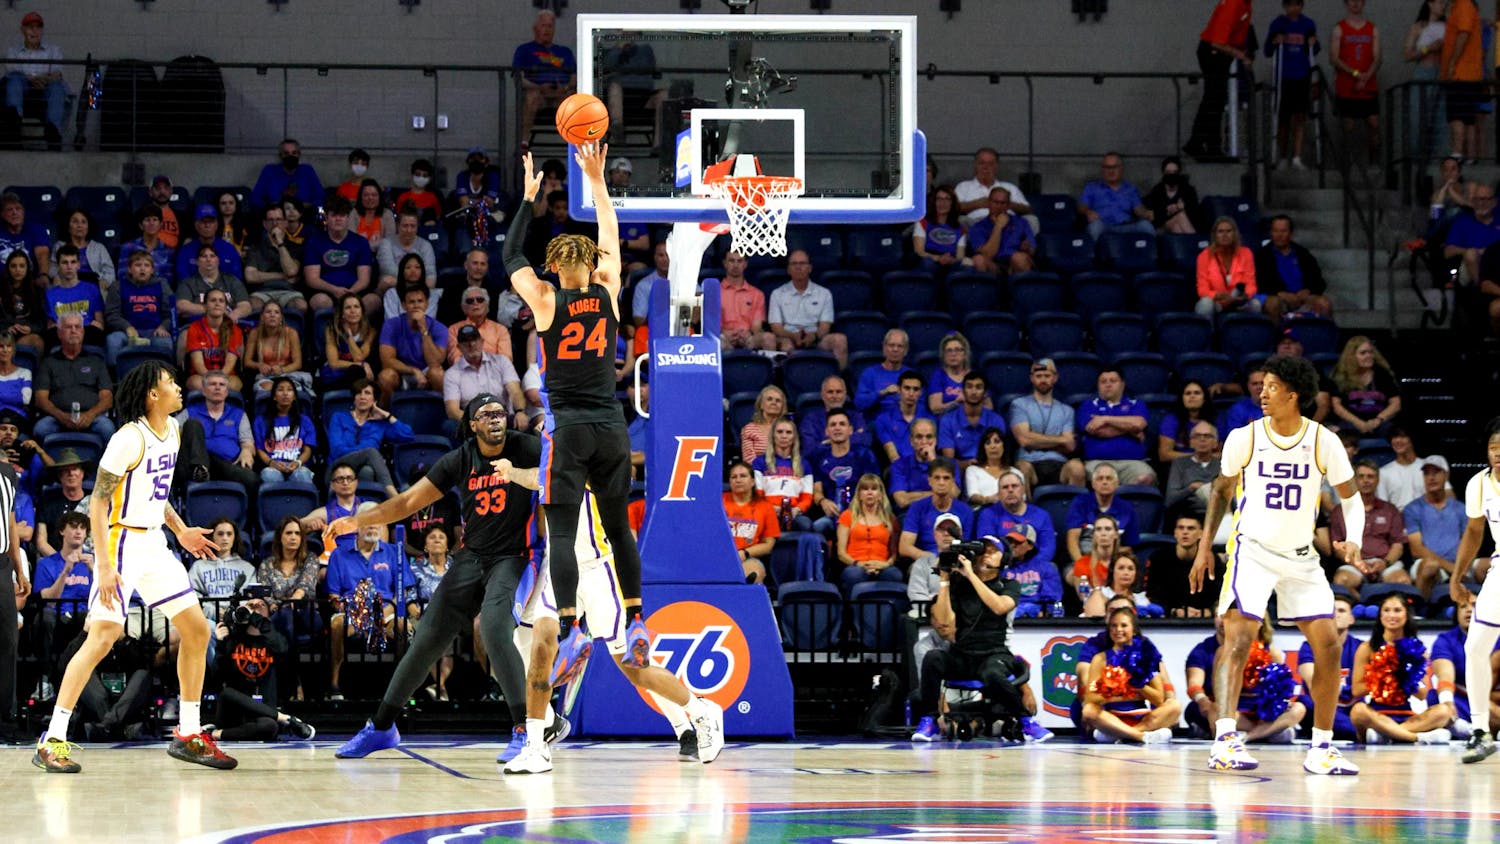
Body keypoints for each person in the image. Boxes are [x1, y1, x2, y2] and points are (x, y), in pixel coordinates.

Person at [330, 395, 557, 763]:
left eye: (500, 412)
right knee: (425, 640)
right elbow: (407, 503)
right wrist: (358, 520)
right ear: (472, 424)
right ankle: (383, 726)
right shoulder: (460, 458)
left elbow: (560, 469)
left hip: (517, 556)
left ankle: (524, 732)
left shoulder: (526, 447)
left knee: (496, 628)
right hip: (471, 558)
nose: (495, 419)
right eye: (485, 415)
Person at [32, 360, 231, 774]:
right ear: (152, 395)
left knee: (196, 629)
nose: (179, 388)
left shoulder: (173, 431)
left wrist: (179, 530)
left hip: (154, 539)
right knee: (104, 637)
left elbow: (156, 496)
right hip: (119, 540)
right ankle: (52, 739)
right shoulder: (128, 438)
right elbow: (99, 502)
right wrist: (104, 566)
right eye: (170, 383)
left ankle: (189, 733)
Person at [502, 145, 652, 687]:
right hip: (611, 425)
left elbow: (509, 254)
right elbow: (609, 228)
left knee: (560, 534)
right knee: (618, 529)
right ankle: (635, 619)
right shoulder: (610, 293)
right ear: (591, 266)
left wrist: (526, 199)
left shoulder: (543, 299)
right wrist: (596, 181)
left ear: (555, 268)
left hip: (566, 429)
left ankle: (571, 626)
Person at [1188, 354, 1364, 775]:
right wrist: (1204, 546)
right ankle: (1225, 740)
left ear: (1293, 394)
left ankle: (1321, 748)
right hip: (1252, 550)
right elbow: (1220, 491)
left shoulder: (1324, 441)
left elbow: (1351, 497)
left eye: (1270, 386)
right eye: (1261, 385)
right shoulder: (1244, 437)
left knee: (1329, 644)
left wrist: (1353, 539)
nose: (1261, 393)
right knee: (1238, 638)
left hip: (1301, 556)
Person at [508, 483, 725, 773]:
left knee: (633, 667)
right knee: (539, 645)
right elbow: (541, 474)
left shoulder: (592, 457)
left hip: (598, 572)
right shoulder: (549, 451)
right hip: (557, 567)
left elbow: (547, 474)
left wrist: (513, 471)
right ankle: (537, 744)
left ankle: (699, 713)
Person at [909, 534, 1030, 742]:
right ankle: (930, 720)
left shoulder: (1010, 585)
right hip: (963, 654)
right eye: (983, 550)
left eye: (993, 551)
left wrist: (971, 575)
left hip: (993, 653)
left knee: (992, 673)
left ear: (1005, 559)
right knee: (932, 657)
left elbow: (999, 607)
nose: (986, 555)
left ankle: (1027, 722)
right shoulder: (959, 584)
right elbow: (945, 625)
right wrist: (945, 581)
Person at [1447, 417, 1500, 762]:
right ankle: (1480, 730)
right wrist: (1457, 575)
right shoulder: (1479, 484)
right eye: (1494, 448)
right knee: (1475, 645)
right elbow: (1473, 533)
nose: (1498, 455)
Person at [323, 514, 414, 698]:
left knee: (403, 627)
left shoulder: (393, 552)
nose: (372, 528)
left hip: (387, 610)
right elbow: (333, 595)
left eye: (377, 524)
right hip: (350, 612)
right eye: (368, 524)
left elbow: (401, 592)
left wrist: (380, 615)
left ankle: (401, 687)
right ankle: (334, 685)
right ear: (357, 527)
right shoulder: (339, 554)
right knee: (336, 625)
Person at [206, 596, 316, 742]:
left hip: (264, 712)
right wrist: (220, 644)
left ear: (269, 615)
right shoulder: (234, 639)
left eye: (261, 605)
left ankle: (215, 734)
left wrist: (256, 618)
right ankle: (285, 718)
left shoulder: (275, 642)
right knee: (226, 693)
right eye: (250, 605)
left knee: (270, 727)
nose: (255, 608)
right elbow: (217, 677)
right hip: (234, 711)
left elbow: (282, 648)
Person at [1185, 616, 1307, 743]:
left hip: (1260, 711)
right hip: (1235, 711)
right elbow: (1219, 691)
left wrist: (1281, 704)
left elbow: (1280, 687)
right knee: (1216, 711)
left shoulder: (1272, 652)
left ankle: (1249, 736)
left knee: (1299, 708)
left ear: (1260, 624)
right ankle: (1268, 732)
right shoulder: (1223, 652)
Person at [1350, 593, 1453, 744]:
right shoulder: (1367, 648)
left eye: (1397, 610)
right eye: (1386, 610)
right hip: (1375, 713)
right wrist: (1382, 675)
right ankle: (1416, 737)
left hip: (1406, 715)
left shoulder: (1418, 650)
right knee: (1358, 710)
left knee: (1443, 711)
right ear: (1380, 615)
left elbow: (1422, 694)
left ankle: (1386, 735)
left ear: (1406, 615)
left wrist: (1405, 675)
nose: (1391, 615)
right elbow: (1357, 690)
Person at [1079, 607, 1181, 745]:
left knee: (1174, 705)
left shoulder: (1146, 656)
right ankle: (1140, 736)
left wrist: (1137, 684)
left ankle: (1123, 734)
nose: (1118, 630)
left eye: (1124, 625)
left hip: (1143, 718)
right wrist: (1120, 695)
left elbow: (1159, 698)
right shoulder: (1100, 659)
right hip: (1112, 718)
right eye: (1113, 626)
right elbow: (1090, 697)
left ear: (1133, 629)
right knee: (1088, 710)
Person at [1188, 0, 1254, 161]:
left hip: (1219, 54)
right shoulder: (1235, 4)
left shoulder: (1245, 4)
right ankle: (1202, 144)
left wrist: (1240, 51)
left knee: (1214, 100)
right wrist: (1240, 56)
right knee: (1214, 99)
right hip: (1213, 54)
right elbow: (1217, 42)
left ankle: (1206, 145)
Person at [327, 378, 415, 498]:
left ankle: (366, 510)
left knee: (367, 471)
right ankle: (394, 497)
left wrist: (386, 415)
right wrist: (365, 454)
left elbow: (407, 435)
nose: (362, 397)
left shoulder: (379, 423)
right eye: (359, 393)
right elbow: (337, 450)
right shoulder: (338, 417)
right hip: (337, 469)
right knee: (371, 452)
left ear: (375, 400)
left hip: (362, 470)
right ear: (354, 398)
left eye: (367, 393)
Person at [1068, 368, 1156, 487]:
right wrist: (1130, 430)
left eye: (1113, 381)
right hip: (1097, 462)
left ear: (1122, 384)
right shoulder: (1088, 405)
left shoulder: (1136, 404)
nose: (1108, 384)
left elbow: (1138, 424)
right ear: (1098, 386)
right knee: (1103, 482)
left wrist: (1105, 419)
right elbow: (1096, 430)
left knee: (1146, 478)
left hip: (1133, 462)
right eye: (1103, 382)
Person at [33, 313, 114, 441]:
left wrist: (89, 415)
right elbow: (40, 399)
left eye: (77, 327)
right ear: (59, 333)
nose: (74, 331)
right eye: (68, 327)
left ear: (83, 332)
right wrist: (61, 417)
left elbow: (107, 398)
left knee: (107, 428)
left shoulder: (96, 361)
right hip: (57, 418)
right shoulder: (48, 362)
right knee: (41, 429)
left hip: (92, 418)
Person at [1430, 597, 1500, 743]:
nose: (1468, 610)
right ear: (1456, 613)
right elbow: (1445, 674)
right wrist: (1447, 701)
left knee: (1488, 705)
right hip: (1461, 698)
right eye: (1462, 606)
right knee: (1438, 701)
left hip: (1491, 696)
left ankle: (1473, 729)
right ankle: (1466, 727)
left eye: (1474, 605)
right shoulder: (1445, 640)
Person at [1295, 590, 1361, 740]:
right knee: (1304, 702)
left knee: (1362, 712)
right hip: (1320, 707)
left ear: (1351, 619)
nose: (1335, 614)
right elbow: (1313, 684)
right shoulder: (1309, 646)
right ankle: (1357, 732)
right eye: (1332, 610)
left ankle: (1355, 729)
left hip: (1351, 709)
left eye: (1341, 610)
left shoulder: (1361, 647)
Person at [176, 370, 257, 489]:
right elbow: (169, 433)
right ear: (203, 390)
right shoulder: (190, 412)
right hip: (194, 466)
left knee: (252, 480)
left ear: (227, 391)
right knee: (193, 424)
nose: (217, 388)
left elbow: (248, 443)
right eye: (212, 384)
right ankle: (200, 470)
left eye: (222, 385)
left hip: (227, 464)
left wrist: (246, 451)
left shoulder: (238, 414)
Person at [767, 250, 848, 369]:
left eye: (802, 263)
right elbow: (776, 327)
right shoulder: (777, 294)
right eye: (794, 264)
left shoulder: (824, 293)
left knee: (840, 340)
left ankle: (838, 383)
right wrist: (793, 336)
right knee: (785, 346)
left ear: (810, 268)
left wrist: (813, 336)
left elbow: (825, 327)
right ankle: (784, 385)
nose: (798, 267)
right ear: (788, 269)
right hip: (789, 336)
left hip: (816, 338)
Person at [809, 409, 881, 538]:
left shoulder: (864, 455)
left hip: (861, 512)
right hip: (832, 514)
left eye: (842, 424)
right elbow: (817, 491)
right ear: (827, 431)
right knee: (817, 527)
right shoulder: (820, 457)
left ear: (850, 430)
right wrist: (823, 501)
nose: (837, 428)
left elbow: (875, 488)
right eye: (833, 424)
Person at [1265, 1, 1320, 170]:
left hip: (1302, 77)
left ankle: (1297, 156)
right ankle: (1282, 156)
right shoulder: (1278, 23)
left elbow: (1315, 49)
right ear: (1284, 6)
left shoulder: (1308, 24)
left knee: (1300, 118)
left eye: (1296, 5)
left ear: (1301, 6)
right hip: (1284, 78)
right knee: (1283, 120)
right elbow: (1267, 51)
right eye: (1289, 5)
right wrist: (1275, 41)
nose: (1293, 9)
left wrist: (1313, 42)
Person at [444, 324, 526, 431]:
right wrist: (480, 421)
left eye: (474, 339)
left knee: (521, 420)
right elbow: (452, 411)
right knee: (449, 426)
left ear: (482, 342)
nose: (471, 344)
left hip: (503, 417)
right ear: (459, 347)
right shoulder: (452, 374)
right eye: (465, 341)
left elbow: (515, 391)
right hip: (473, 422)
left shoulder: (502, 361)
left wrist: (520, 412)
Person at [513, 10, 577, 149]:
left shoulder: (565, 52)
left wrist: (565, 88)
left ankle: (576, 145)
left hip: (560, 94)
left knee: (574, 99)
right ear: (535, 28)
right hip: (538, 94)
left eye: (550, 26)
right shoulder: (524, 50)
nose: (547, 30)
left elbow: (574, 77)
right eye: (543, 25)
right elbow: (519, 79)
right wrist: (539, 87)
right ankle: (524, 144)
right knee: (532, 97)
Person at [303, 194, 376, 315]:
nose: (338, 219)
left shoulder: (361, 242)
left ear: (348, 217)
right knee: (320, 301)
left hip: (355, 291)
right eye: (334, 215)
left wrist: (351, 293)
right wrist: (334, 290)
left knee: (373, 300)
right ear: (326, 217)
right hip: (325, 292)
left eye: (342, 215)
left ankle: (358, 333)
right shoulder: (314, 242)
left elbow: (364, 279)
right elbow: (312, 279)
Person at [2, 12, 65, 150]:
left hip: (45, 90)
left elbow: (57, 74)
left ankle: (53, 132)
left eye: (38, 27)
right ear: (22, 30)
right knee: (15, 80)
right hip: (23, 91)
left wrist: (39, 79)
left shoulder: (54, 50)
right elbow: (12, 71)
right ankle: (14, 122)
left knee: (57, 87)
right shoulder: (13, 51)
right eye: (30, 27)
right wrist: (34, 78)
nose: (34, 31)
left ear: (42, 30)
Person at [1330, 0, 1382, 165]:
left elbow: (1378, 57)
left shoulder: (1372, 28)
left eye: (1358, 0)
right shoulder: (1339, 28)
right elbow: (1334, 58)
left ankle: (1373, 162)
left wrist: (1367, 75)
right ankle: (1347, 162)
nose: (1355, 3)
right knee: (1348, 125)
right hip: (1347, 86)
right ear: (1346, 3)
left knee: (1374, 123)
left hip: (1368, 85)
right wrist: (1355, 73)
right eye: (1352, 0)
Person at [1010, 358, 1076, 487]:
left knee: (1077, 468)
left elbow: (1069, 445)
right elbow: (1024, 440)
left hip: (1059, 463)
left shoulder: (1067, 410)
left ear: (1055, 378)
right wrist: (1060, 440)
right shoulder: (1019, 405)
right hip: (1029, 463)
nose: (1043, 380)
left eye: (1047, 376)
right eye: (1039, 376)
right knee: (1022, 469)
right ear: (1031, 378)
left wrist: (1035, 440)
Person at [376, 284, 446, 404]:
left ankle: (444, 416)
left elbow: (435, 362)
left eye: (420, 301)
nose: (416, 305)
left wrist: (424, 330)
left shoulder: (439, 328)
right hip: (401, 371)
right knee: (385, 377)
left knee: (438, 374)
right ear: (404, 305)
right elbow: (387, 360)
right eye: (411, 302)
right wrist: (413, 370)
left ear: (427, 304)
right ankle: (385, 417)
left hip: (426, 372)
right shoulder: (391, 325)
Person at [103, 250, 174, 367]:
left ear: (152, 270)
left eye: (146, 265)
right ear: (130, 269)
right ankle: (115, 379)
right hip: (126, 332)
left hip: (154, 331)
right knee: (113, 340)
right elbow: (112, 314)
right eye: (137, 265)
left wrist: (163, 326)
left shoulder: (162, 285)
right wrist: (127, 327)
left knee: (164, 342)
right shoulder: (117, 286)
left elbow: (171, 313)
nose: (142, 269)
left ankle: (165, 379)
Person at [1255, 216, 1333, 322]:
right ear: (1271, 233)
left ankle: (1320, 337)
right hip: (1278, 297)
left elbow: (1319, 281)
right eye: (1275, 231)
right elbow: (1259, 283)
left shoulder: (1303, 254)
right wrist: (1280, 293)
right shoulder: (1262, 255)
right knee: (1273, 303)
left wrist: (1308, 291)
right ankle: (1278, 337)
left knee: (1324, 303)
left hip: (1303, 298)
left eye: (1283, 231)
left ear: (1291, 233)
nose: (1279, 235)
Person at [975, 467, 1058, 565]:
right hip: (1002, 566)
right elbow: (989, 546)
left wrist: (1028, 567)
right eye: (1005, 487)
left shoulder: (1042, 515)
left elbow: (1048, 549)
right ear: (999, 493)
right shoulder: (988, 514)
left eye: (1014, 486)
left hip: (1036, 567)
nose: (1010, 490)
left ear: (1023, 490)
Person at [898, 460, 971, 568]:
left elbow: (967, 546)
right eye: (937, 478)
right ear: (929, 481)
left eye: (946, 478)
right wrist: (930, 558)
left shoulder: (965, 511)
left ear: (953, 481)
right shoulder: (917, 508)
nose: (941, 482)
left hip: (956, 563)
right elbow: (904, 547)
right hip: (925, 562)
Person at [836, 473, 900, 595]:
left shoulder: (891, 519)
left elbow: (894, 553)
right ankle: (855, 612)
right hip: (855, 564)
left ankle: (888, 613)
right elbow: (841, 553)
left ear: (880, 494)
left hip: (882, 564)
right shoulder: (847, 516)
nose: (869, 492)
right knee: (854, 575)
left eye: (874, 489)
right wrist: (859, 564)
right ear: (859, 495)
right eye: (865, 489)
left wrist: (885, 564)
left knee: (894, 574)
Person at [1146, 515, 1221, 617]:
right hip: (1167, 620)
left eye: (1191, 528)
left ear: (1201, 534)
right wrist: (1172, 611)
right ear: (1175, 533)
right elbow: (1151, 596)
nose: (1185, 532)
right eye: (1181, 528)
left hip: (1205, 620)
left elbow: (1220, 595)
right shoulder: (1159, 559)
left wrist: (1210, 611)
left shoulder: (1212, 560)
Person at [187, 518, 257, 624]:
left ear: (235, 537)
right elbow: (192, 595)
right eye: (220, 534)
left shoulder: (247, 568)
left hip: (239, 620)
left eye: (229, 534)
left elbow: (251, 597)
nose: (225, 538)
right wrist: (214, 612)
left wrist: (235, 613)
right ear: (212, 537)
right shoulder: (199, 567)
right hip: (208, 619)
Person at [1329, 335, 1403, 436]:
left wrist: (1378, 420)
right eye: (1363, 353)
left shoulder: (1382, 374)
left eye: (1370, 352)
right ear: (1352, 356)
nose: (1368, 356)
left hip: (1380, 422)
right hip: (1351, 423)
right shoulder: (1341, 376)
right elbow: (1336, 406)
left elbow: (1396, 403)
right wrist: (1359, 423)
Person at [241, 203, 306, 315]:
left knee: (300, 305)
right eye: (270, 220)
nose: (275, 223)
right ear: (265, 224)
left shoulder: (296, 247)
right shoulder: (255, 248)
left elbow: (291, 271)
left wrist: (280, 243)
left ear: (285, 223)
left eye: (279, 219)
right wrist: (282, 276)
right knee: (253, 304)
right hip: (261, 292)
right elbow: (250, 276)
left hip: (288, 291)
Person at [1404, 1, 1449, 166]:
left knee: (1439, 120)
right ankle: (1416, 160)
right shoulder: (1418, 27)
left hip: (1441, 74)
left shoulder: (1447, 26)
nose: (1443, 6)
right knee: (1418, 118)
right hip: (1424, 73)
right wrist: (1427, 48)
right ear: (1430, 4)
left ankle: (1436, 161)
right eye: (1440, 2)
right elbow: (1407, 54)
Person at [751, 418, 813, 533]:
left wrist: (797, 510)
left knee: (805, 524)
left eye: (788, 432)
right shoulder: (759, 462)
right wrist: (771, 509)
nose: (784, 436)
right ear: (773, 435)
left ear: (794, 437)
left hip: (795, 514)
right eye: (779, 432)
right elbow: (757, 494)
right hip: (767, 511)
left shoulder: (804, 464)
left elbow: (807, 497)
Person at [724, 459, 779, 585]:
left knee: (753, 573)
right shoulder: (718, 502)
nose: (738, 480)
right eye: (734, 477)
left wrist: (744, 553)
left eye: (743, 476)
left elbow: (768, 545)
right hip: (719, 556)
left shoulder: (765, 507)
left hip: (748, 557)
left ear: (753, 482)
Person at [1441, 0, 1483, 163]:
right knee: (1467, 118)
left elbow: (1463, 33)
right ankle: (1469, 157)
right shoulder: (1457, 7)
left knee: (1457, 115)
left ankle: (1457, 154)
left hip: (1461, 73)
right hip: (1467, 73)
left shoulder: (1464, 5)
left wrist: (1451, 64)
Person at [1078, 152, 1155, 241]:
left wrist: (1145, 213)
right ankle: (1094, 255)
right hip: (1104, 225)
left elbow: (1138, 209)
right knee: (1095, 227)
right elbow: (1081, 207)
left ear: (1121, 169)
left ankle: (1151, 254)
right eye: (1107, 167)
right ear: (1102, 169)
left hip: (1126, 225)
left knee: (1146, 226)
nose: (1111, 171)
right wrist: (1088, 212)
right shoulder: (1092, 187)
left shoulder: (1130, 188)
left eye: (1114, 167)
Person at [254, 377, 315, 485]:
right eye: (280, 390)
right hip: (272, 466)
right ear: (274, 396)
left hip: (298, 465)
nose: (285, 393)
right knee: (271, 475)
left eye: (289, 390)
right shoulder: (260, 421)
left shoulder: (305, 420)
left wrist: (298, 462)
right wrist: (271, 463)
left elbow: (308, 450)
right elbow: (259, 449)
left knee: (301, 475)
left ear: (294, 396)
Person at [377, 210, 439, 318]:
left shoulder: (425, 245)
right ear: (397, 226)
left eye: (412, 226)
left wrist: (402, 282)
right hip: (389, 292)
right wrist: (416, 280)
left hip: (416, 293)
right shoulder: (387, 243)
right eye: (405, 226)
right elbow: (388, 270)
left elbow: (431, 279)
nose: (409, 230)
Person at [954, 147, 1035, 229]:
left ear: (996, 166)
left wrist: (1007, 204)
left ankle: (1020, 240)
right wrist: (977, 204)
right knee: (960, 220)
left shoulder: (1010, 187)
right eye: (981, 163)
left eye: (990, 164)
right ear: (975, 165)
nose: (985, 167)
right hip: (977, 224)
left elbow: (1028, 209)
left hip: (1007, 225)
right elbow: (952, 208)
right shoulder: (963, 186)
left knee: (1032, 220)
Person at [1195, 217, 1261, 316]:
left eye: (1228, 231)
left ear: (1234, 234)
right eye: (1220, 231)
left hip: (1238, 300)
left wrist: (1244, 296)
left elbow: (1251, 284)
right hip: (1216, 301)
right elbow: (1202, 289)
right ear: (1215, 235)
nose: (1224, 235)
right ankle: (1209, 331)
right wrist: (1217, 295)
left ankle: (1248, 331)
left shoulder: (1246, 253)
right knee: (1205, 304)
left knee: (1256, 304)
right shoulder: (1204, 256)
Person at [182, 289, 244, 393]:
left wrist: (218, 381)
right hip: (201, 376)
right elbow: (198, 363)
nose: (217, 304)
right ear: (205, 305)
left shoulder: (234, 330)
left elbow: (229, 364)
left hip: (227, 375)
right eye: (213, 300)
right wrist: (211, 380)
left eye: (221, 301)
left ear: (225, 306)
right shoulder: (195, 328)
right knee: (195, 383)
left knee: (235, 384)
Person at [966, 186, 1035, 276]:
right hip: (993, 265)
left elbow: (1033, 251)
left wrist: (1028, 248)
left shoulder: (1021, 222)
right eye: (995, 202)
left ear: (1008, 205)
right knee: (978, 259)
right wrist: (998, 227)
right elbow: (987, 255)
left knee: (1019, 258)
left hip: (1015, 263)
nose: (999, 206)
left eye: (1003, 203)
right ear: (988, 203)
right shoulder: (978, 227)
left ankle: (1023, 289)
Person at [799, 376, 871, 460]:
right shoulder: (810, 420)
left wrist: (826, 442)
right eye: (830, 392)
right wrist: (849, 437)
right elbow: (809, 450)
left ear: (845, 394)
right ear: (822, 395)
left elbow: (866, 440)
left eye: (839, 392)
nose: (835, 396)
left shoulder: (856, 417)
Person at [243, 300, 306, 397]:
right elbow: (247, 361)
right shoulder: (255, 333)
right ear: (262, 317)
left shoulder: (291, 333)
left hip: (287, 374)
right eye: (268, 312)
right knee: (268, 389)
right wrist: (259, 365)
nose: (272, 315)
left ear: (281, 318)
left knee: (288, 390)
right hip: (265, 376)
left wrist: (282, 369)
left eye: (276, 312)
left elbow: (298, 363)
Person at [718, 250, 776, 352]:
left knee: (768, 338)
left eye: (739, 261)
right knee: (718, 342)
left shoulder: (757, 294)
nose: (735, 265)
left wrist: (747, 334)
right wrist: (725, 332)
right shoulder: (715, 292)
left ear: (745, 264)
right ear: (725, 263)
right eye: (731, 261)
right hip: (724, 336)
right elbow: (712, 323)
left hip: (748, 338)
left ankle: (766, 368)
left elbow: (756, 327)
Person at [174, 206, 244, 289]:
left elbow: (236, 279)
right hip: (195, 294)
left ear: (216, 225)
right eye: (203, 222)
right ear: (196, 225)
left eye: (211, 222)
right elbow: (183, 281)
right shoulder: (185, 251)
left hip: (224, 295)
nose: (207, 225)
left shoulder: (229, 249)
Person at [1000, 524, 1063, 618]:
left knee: (1030, 607)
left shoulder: (1045, 568)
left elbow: (1051, 599)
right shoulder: (1000, 567)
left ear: (1030, 545)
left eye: (1018, 542)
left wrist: (1045, 612)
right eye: (1010, 541)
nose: (1012, 545)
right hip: (1006, 611)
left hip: (1035, 616)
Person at [44, 246, 105, 341]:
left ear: (78, 265)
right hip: (62, 342)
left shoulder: (92, 289)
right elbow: (51, 328)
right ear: (58, 266)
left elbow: (100, 325)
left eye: (73, 262)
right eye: (65, 262)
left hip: (89, 339)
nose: (69, 267)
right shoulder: (50, 295)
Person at [1166, 421, 1222, 520]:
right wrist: (1191, 488)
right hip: (1188, 514)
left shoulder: (1222, 465)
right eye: (1197, 436)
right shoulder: (1179, 463)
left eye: (1207, 436)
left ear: (1215, 443)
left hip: (1217, 514)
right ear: (1191, 442)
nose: (1202, 439)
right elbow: (1170, 499)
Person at [874, 370, 934, 464]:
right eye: (907, 388)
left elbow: (930, 453)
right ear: (899, 390)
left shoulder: (931, 420)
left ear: (921, 392)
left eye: (915, 389)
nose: (911, 393)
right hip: (898, 469)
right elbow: (893, 455)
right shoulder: (883, 420)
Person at [250, 138, 324, 212]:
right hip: (276, 216)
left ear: (299, 155)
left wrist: (303, 206)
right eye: (286, 153)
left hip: (304, 215)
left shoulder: (307, 171)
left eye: (294, 153)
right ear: (280, 156)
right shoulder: (269, 171)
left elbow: (321, 198)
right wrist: (274, 207)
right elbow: (255, 199)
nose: (290, 156)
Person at [320, 292, 376, 390]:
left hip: (356, 375)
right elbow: (333, 363)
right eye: (348, 307)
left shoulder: (370, 332)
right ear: (342, 313)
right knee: (357, 371)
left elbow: (358, 357)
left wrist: (349, 336)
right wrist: (362, 365)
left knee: (358, 373)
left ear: (362, 311)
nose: (353, 311)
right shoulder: (332, 330)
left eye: (356, 307)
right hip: (335, 376)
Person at [445, 284, 511, 365]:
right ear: (463, 308)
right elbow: (455, 358)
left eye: (480, 300)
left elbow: (506, 360)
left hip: (495, 374)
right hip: (465, 373)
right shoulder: (453, 330)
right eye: (470, 301)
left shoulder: (500, 329)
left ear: (487, 305)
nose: (475, 303)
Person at [857, 329, 913, 420]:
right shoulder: (870, 373)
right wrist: (882, 393)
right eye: (891, 345)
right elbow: (859, 404)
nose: (895, 349)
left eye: (900, 346)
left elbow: (920, 405)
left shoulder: (912, 375)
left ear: (906, 350)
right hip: (876, 423)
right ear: (884, 348)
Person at [888, 417, 942, 511]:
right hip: (909, 513)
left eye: (929, 437)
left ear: (935, 440)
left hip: (941, 512)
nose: (924, 442)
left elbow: (953, 494)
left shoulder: (949, 464)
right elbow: (902, 500)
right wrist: (939, 494)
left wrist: (933, 462)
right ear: (911, 441)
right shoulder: (899, 466)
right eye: (919, 437)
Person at [52, 210, 115, 288]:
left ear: (88, 227)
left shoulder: (99, 248)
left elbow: (110, 272)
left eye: (83, 222)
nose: (79, 225)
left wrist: (105, 280)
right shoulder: (59, 246)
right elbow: (52, 269)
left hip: (94, 286)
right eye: (75, 222)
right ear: (68, 227)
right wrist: (57, 277)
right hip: (68, 285)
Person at [914, 185, 967, 274]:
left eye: (947, 199)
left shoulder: (961, 230)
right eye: (939, 199)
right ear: (933, 202)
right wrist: (939, 258)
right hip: (929, 261)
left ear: (952, 203)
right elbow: (919, 251)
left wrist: (949, 260)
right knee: (927, 264)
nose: (943, 203)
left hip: (950, 263)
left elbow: (959, 257)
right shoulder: (922, 223)